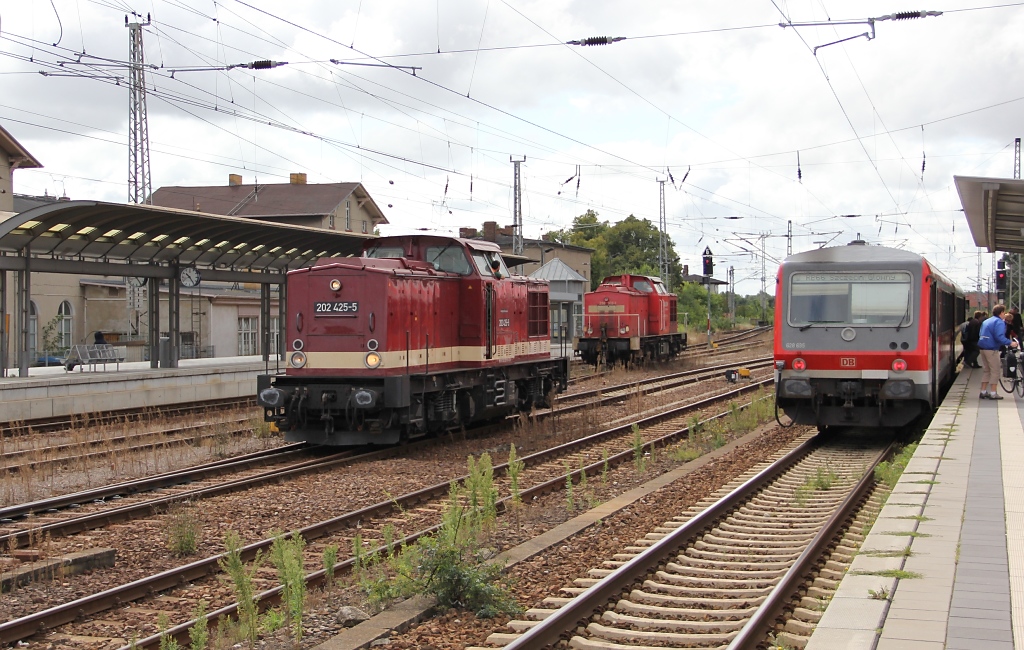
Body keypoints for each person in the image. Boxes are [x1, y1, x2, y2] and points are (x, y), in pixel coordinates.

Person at [978, 304, 1018, 400]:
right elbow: (999, 337)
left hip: (982, 347)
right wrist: (1010, 343)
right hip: (991, 349)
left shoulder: (987, 321)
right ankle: (993, 393)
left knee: (987, 370)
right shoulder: (999, 322)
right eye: (1004, 312)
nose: (1005, 314)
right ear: (1001, 313)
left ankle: (983, 392)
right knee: (995, 371)